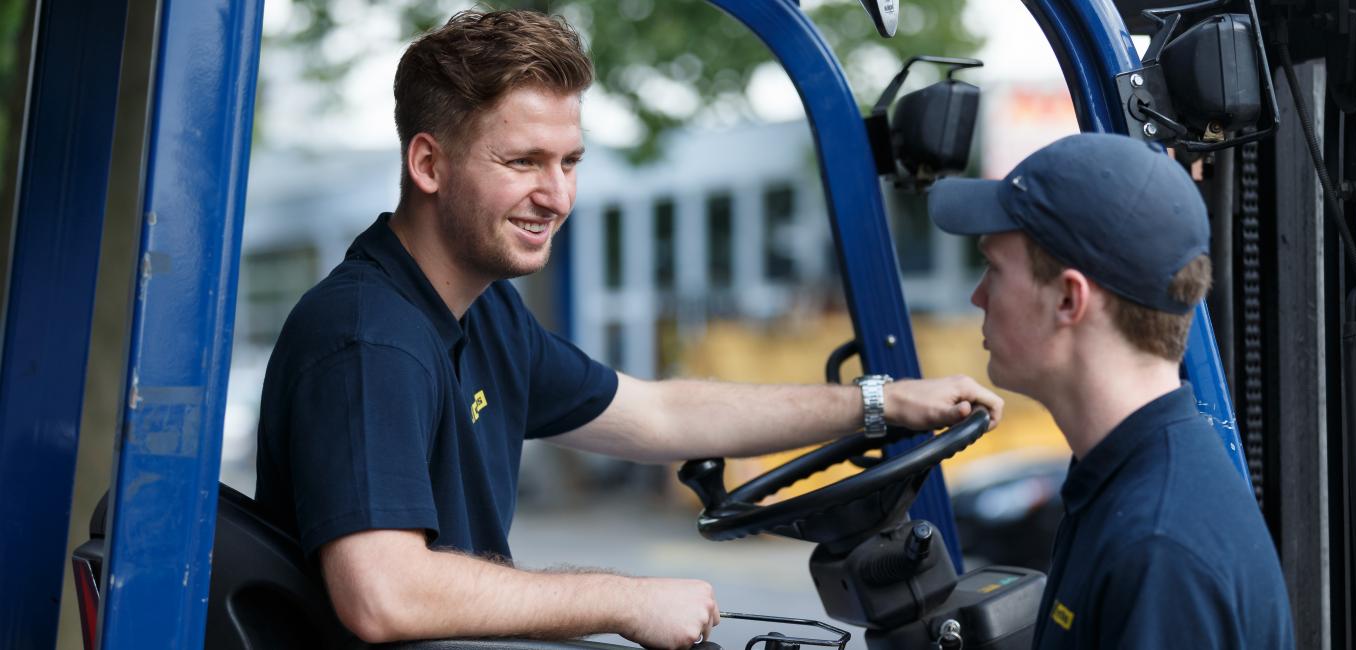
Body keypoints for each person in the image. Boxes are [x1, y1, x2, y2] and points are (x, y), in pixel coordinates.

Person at [254, 9, 1004, 648]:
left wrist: (878, 404)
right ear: (429, 163)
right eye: (523, 161)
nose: (556, 196)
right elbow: (384, 593)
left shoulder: (479, 314)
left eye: (570, 162)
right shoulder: (368, 337)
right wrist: (624, 597)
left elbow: (657, 413)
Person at [927, 133, 1294, 649]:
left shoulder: (1158, 551)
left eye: (994, 268)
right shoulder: (1122, 480)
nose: (978, 295)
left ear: (1068, 299)